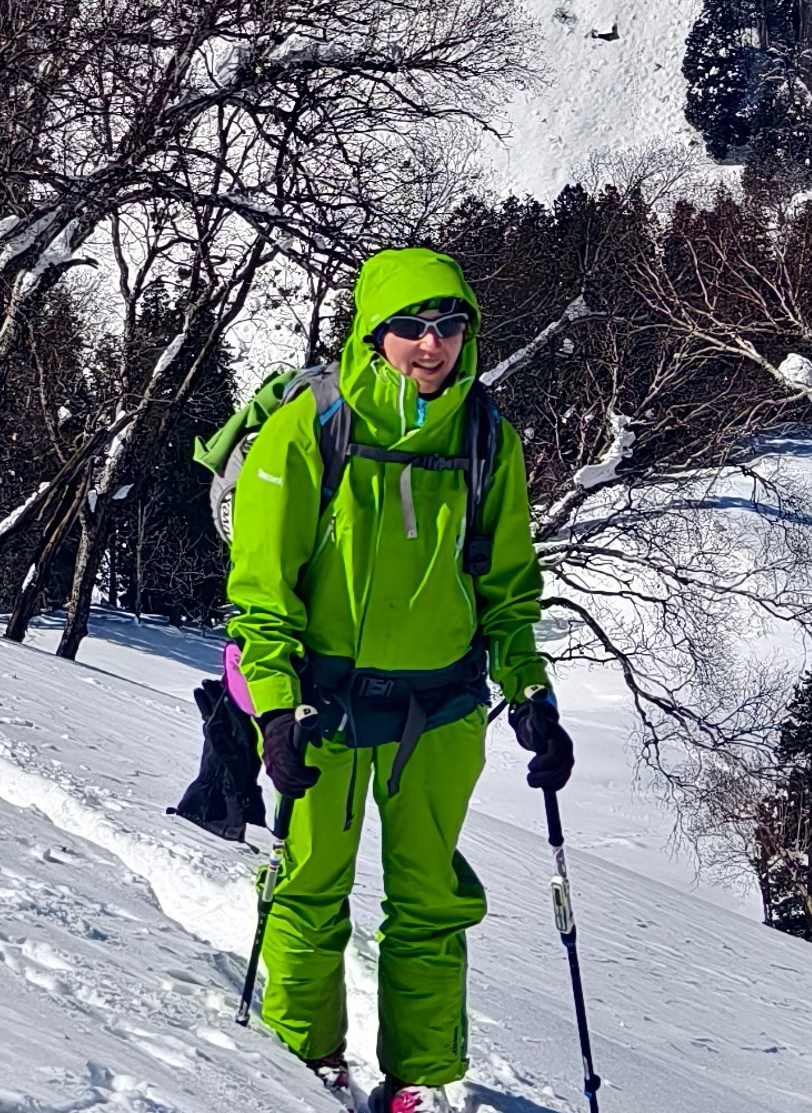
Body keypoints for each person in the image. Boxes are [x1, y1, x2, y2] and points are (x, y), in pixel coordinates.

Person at [226, 247, 575, 1113]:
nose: (431, 344)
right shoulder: (308, 426)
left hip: (443, 703)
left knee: (431, 901)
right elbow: (263, 590)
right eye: (411, 328)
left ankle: (419, 1078)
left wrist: (533, 696)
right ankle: (306, 1061)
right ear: (373, 332)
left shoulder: (487, 435)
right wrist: (273, 708)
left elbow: (507, 588)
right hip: (324, 704)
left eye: (448, 326)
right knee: (310, 885)